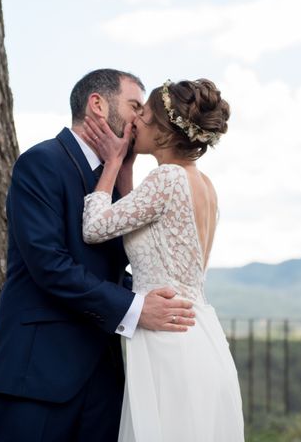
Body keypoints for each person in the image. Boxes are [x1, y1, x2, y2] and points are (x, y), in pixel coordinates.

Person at [0, 69, 196, 442]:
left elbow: (112, 266)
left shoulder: (115, 178)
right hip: (36, 378)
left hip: (104, 379)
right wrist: (135, 307)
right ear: (97, 104)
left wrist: (151, 297)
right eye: (134, 106)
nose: (141, 118)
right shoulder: (41, 162)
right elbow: (50, 264)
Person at [82, 78, 244, 441]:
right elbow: (146, 225)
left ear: (166, 132)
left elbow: (94, 227)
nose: (135, 121)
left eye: (145, 115)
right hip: (199, 334)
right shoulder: (203, 184)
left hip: (168, 338)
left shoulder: (167, 178)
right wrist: (126, 171)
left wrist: (111, 164)